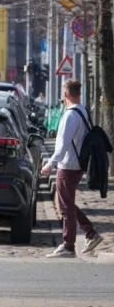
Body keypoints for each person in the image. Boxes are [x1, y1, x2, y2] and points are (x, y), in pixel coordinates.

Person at [41, 79, 104, 257]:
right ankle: (90, 233)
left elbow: (62, 146)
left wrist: (50, 164)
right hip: (78, 164)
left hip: (68, 165)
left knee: (65, 207)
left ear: (65, 94)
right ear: (79, 93)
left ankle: (69, 245)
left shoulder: (70, 115)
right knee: (67, 203)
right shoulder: (83, 110)